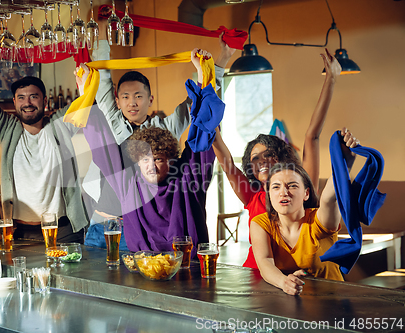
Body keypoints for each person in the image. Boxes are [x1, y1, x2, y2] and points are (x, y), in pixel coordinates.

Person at [79, 23, 236, 250]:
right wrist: (102, 34)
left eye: (138, 96)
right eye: (125, 97)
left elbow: (199, 109)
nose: (132, 102)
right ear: (117, 101)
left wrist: (215, 64)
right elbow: (102, 81)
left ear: (150, 99)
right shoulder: (112, 123)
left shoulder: (166, 128)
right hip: (104, 222)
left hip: (147, 226)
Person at [211, 48, 342, 269]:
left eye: (268, 155)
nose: (261, 161)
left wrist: (331, 79)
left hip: (301, 280)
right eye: (254, 158)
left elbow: (312, 135)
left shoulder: (298, 183)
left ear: (281, 158)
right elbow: (225, 158)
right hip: (255, 278)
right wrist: (208, 102)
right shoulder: (253, 195)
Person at [83, 75, 224, 256]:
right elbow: (102, 146)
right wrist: (85, 92)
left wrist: (204, 75)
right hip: (134, 259)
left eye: (157, 159)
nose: (151, 166)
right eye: (145, 160)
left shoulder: (187, 179)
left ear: (171, 161)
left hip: (185, 268)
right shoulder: (129, 185)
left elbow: (201, 136)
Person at [0, 66, 89, 244]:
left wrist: (86, 80)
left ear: (44, 100)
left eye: (33, 96)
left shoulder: (59, 126)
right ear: (14, 102)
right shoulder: (7, 128)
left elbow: (85, 105)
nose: (27, 103)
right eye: (21, 98)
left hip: (62, 230)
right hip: (20, 232)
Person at [251, 129, 359, 295]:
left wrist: (344, 163)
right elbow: (265, 262)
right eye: (276, 187)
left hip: (334, 303)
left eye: (292, 186)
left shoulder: (318, 220)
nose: (283, 192)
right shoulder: (260, 223)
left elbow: (329, 199)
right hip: (295, 305)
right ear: (269, 193)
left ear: (306, 193)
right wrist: (284, 282)